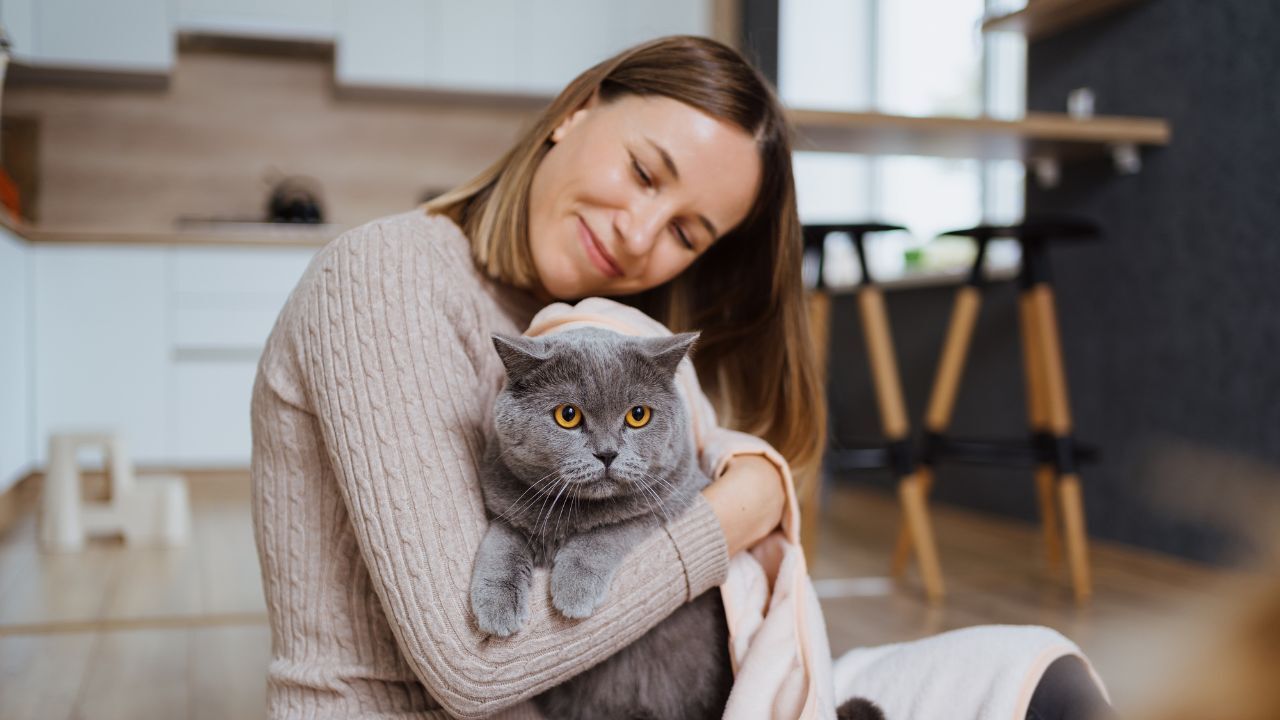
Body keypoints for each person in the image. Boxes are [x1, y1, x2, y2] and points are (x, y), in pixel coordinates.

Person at [251, 34, 1111, 719]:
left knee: (1035, 672)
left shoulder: (614, 329)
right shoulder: (387, 277)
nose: (638, 235)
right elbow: (475, 669)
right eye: (642, 172)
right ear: (575, 113)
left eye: (687, 232)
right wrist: (730, 516)